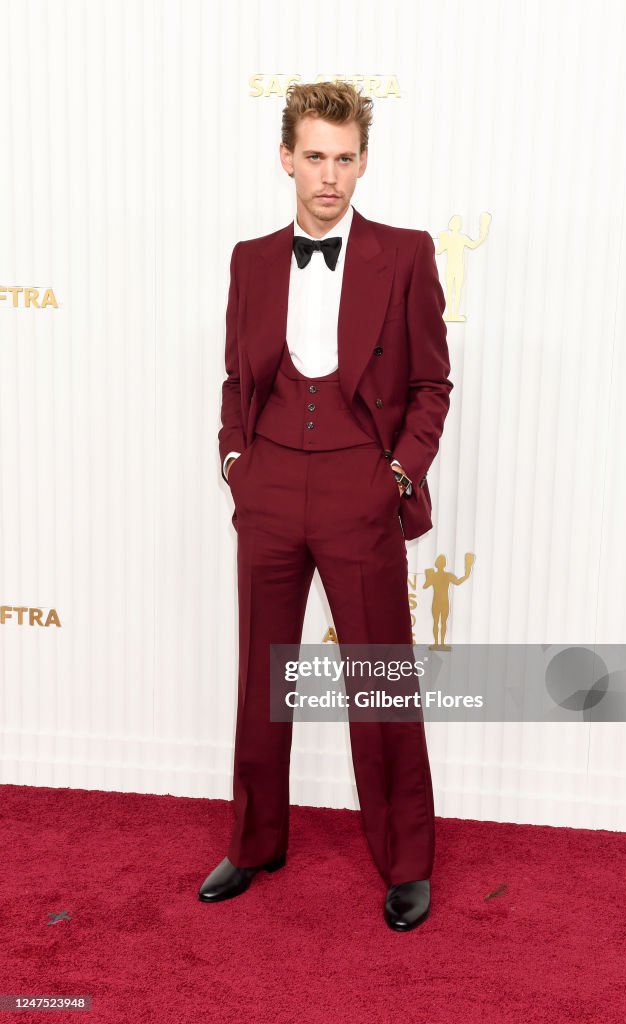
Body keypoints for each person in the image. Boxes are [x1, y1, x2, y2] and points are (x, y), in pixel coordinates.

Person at [198, 81, 452, 932]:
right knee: (261, 675)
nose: (330, 176)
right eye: (314, 156)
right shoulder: (250, 258)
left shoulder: (405, 253)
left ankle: (406, 861)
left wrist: (396, 477)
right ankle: (254, 839)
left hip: (358, 485)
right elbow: (238, 375)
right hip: (268, 483)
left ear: (363, 162)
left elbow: (429, 385)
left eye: (345, 159)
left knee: (378, 677)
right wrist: (236, 459)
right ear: (286, 158)